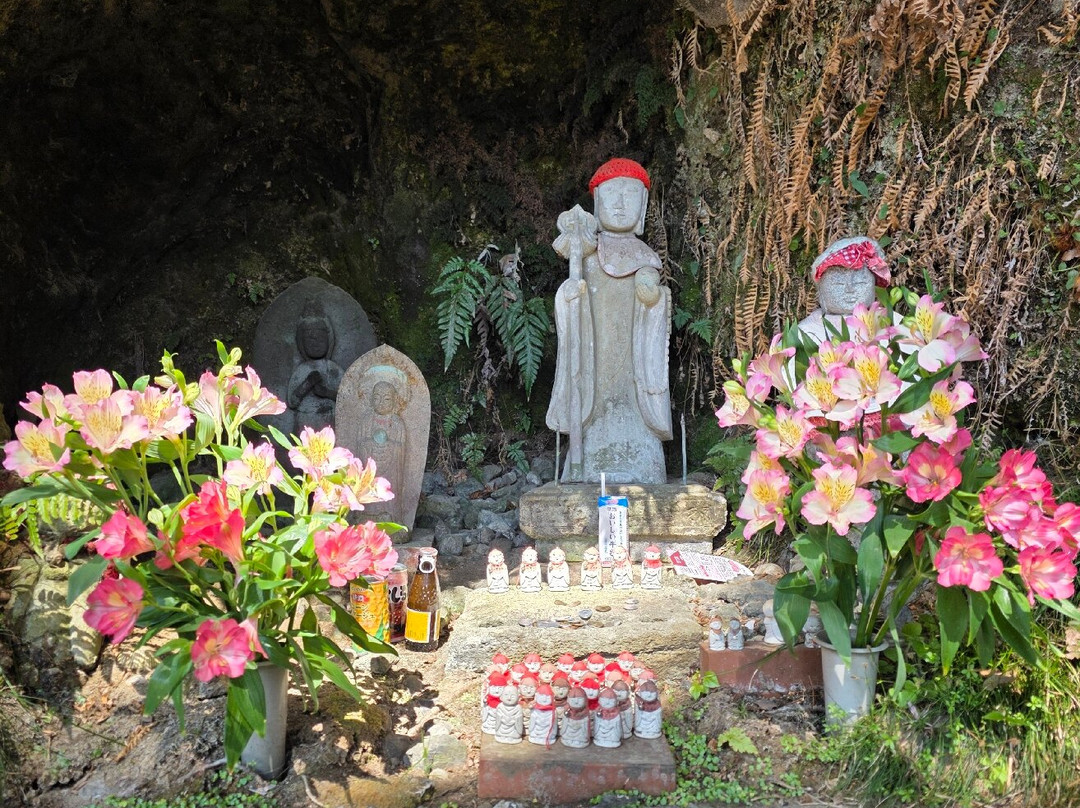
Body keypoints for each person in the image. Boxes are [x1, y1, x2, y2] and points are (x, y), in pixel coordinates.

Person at [547, 158, 672, 484]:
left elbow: (655, 306)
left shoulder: (646, 258)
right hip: (594, 379)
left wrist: (653, 298)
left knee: (635, 422)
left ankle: (641, 457)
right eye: (611, 195)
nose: (619, 204)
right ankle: (586, 458)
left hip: (632, 381)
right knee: (593, 416)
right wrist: (569, 296)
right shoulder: (584, 255)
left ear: (643, 206)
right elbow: (568, 303)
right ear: (597, 202)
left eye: (630, 196)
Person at [286, 300, 344, 434]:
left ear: (329, 340)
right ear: (301, 342)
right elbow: (292, 401)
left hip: (330, 420)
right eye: (310, 339)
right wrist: (307, 384)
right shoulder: (302, 370)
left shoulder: (334, 369)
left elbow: (347, 398)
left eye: (320, 338)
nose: (315, 343)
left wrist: (326, 393)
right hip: (305, 421)